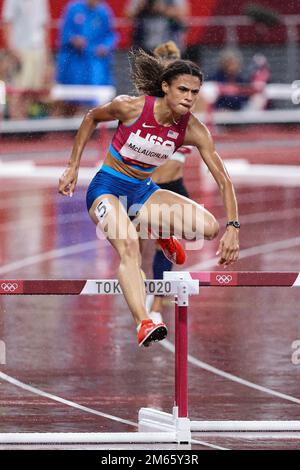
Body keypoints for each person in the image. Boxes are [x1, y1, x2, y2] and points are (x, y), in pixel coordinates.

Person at [58, 49, 240, 348]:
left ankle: (160, 231)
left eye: (195, 92)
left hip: (143, 192)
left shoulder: (193, 129)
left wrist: (233, 227)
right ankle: (144, 321)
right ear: (166, 87)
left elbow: (223, 179)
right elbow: (91, 117)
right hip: (107, 190)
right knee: (129, 247)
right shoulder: (131, 108)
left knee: (208, 228)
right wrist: (72, 167)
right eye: (183, 89)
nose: (189, 98)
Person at [144, 40, 192, 323]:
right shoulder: (145, 104)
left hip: (173, 185)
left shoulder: (187, 102)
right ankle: (143, 300)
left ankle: (158, 302)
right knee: (135, 244)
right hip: (146, 186)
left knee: (168, 243)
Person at [2, 0, 51, 119]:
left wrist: (47, 57)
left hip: (38, 50)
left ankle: (22, 126)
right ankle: (15, 128)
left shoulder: (41, 1)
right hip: (20, 51)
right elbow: (7, 23)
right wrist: (11, 50)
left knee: (30, 92)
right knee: (17, 92)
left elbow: (45, 26)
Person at [56, 0, 117, 88]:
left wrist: (105, 46)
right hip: (74, 60)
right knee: (71, 93)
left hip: (95, 60)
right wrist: (73, 39)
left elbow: (111, 35)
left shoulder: (104, 11)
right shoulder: (73, 8)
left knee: (98, 91)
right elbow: (64, 33)